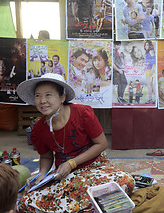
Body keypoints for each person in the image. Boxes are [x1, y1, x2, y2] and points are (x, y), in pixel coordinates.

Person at [16, 73, 134, 212]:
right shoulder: (39, 129)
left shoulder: (82, 114)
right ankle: (81, 206)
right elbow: (47, 156)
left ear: (62, 97)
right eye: (38, 96)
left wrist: (72, 163)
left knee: (125, 181)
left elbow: (101, 144)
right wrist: (41, 174)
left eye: (48, 95)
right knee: (25, 201)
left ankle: (68, 207)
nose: (42, 101)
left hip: (95, 168)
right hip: (65, 175)